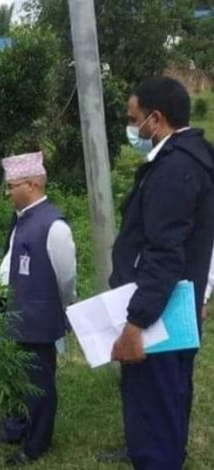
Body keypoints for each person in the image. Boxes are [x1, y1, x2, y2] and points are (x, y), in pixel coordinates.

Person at [108, 76, 214, 469]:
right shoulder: (193, 158)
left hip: (159, 315)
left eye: (133, 119)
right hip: (174, 304)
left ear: (156, 119)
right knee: (166, 402)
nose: (132, 128)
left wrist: (135, 323)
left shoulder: (174, 169)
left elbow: (165, 254)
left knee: (156, 403)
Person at [0, 152, 77, 466]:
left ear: (31, 184)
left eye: (11, 186)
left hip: (38, 316)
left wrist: (62, 307)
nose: (7, 192)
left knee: (38, 383)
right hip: (15, 313)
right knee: (15, 376)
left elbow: (66, 277)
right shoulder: (21, 220)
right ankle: (14, 429)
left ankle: (36, 443)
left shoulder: (54, 226)